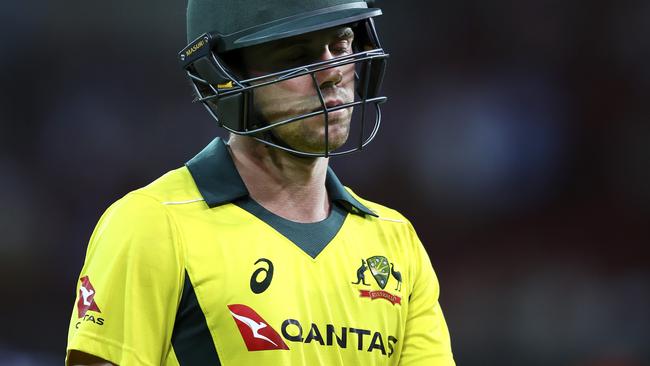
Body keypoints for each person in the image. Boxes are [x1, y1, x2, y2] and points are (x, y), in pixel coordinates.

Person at [66, 0, 455, 365]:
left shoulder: (397, 242)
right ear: (222, 76)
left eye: (341, 44)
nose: (333, 71)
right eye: (296, 57)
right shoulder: (152, 225)